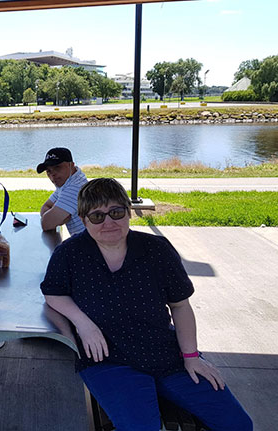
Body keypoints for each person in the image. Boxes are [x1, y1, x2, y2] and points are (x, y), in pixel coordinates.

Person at [40, 178, 252, 431]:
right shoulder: (69, 253)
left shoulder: (157, 250)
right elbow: (53, 292)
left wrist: (192, 357)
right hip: (108, 358)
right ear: (84, 220)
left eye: (116, 212)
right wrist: (84, 324)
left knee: (237, 424)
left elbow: (181, 306)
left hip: (165, 353)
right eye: (97, 216)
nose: (108, 222)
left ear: (129, 213)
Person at [37, 147, 88, 236]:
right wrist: (59, 218)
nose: (53, 174)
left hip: (91, 246)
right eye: (48, 171)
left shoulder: (75, 187)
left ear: (71, 165)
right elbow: (46, 206)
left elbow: (46, 224)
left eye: (57, 167)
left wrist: (54, 217)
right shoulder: (68, 181)